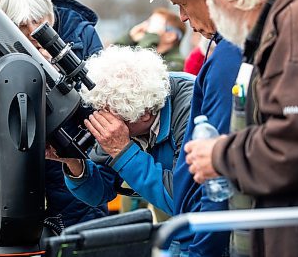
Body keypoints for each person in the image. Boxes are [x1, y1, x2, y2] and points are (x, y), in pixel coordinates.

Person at [185, 0, 298, 256]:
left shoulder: (295, 26)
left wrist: (220, 155)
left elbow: (294, 143)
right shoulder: (284, 21)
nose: (210, 7)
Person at [0, 0, 107, 231]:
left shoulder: (81, 35)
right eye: (20, 25)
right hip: (16, 178)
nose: (32, 31)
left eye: (40, 21)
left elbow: (103, 104)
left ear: (49, 6)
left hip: (77, 174)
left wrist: (55, 76)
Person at [149, 0, 243, 256]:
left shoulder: (229, 55)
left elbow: (218, 177)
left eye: (183, 4)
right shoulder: (224, 49)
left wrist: (202, 249)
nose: (184, 18)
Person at [46, 46, 193, 217]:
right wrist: (74, 162)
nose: (102, 119)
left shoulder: (192, 107)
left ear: (144, 113)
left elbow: (183, 198)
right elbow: (99, 193)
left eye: (108, 113)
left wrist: (122, 151)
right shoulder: (123, 107)